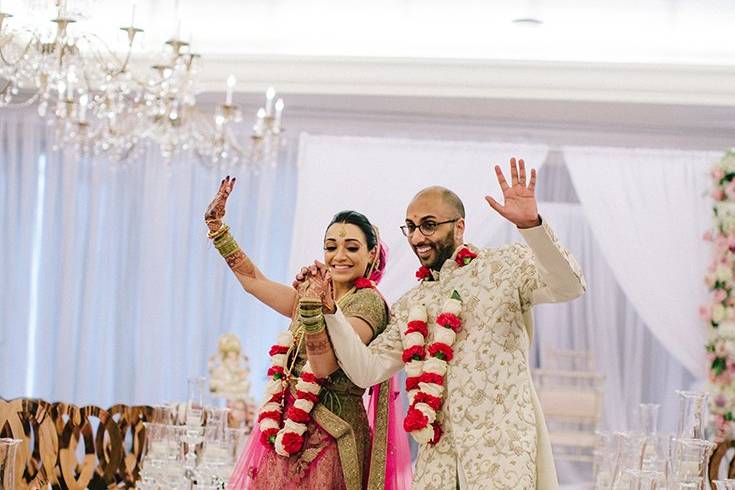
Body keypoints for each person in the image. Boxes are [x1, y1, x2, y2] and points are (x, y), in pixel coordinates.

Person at [299, 158, 586, 489]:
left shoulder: (503, 268)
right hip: (439, 464)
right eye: (411, 226)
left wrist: (531, 226)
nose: (418, 236)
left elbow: (570, 286)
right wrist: (331, 311)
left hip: (501, 458)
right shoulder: (410, 305)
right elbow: (366, 370)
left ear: (459, 227)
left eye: (429, 224)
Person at [203, 177, 411, 490]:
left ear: (371, 255)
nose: (339, 255)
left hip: (331, 436)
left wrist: (315, 308)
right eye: (331, 247)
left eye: (351, 247)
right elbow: (253, 281)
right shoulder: (313, 294)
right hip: (286, 427)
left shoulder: (367, 301)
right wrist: (218, 230)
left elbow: (326, 364)